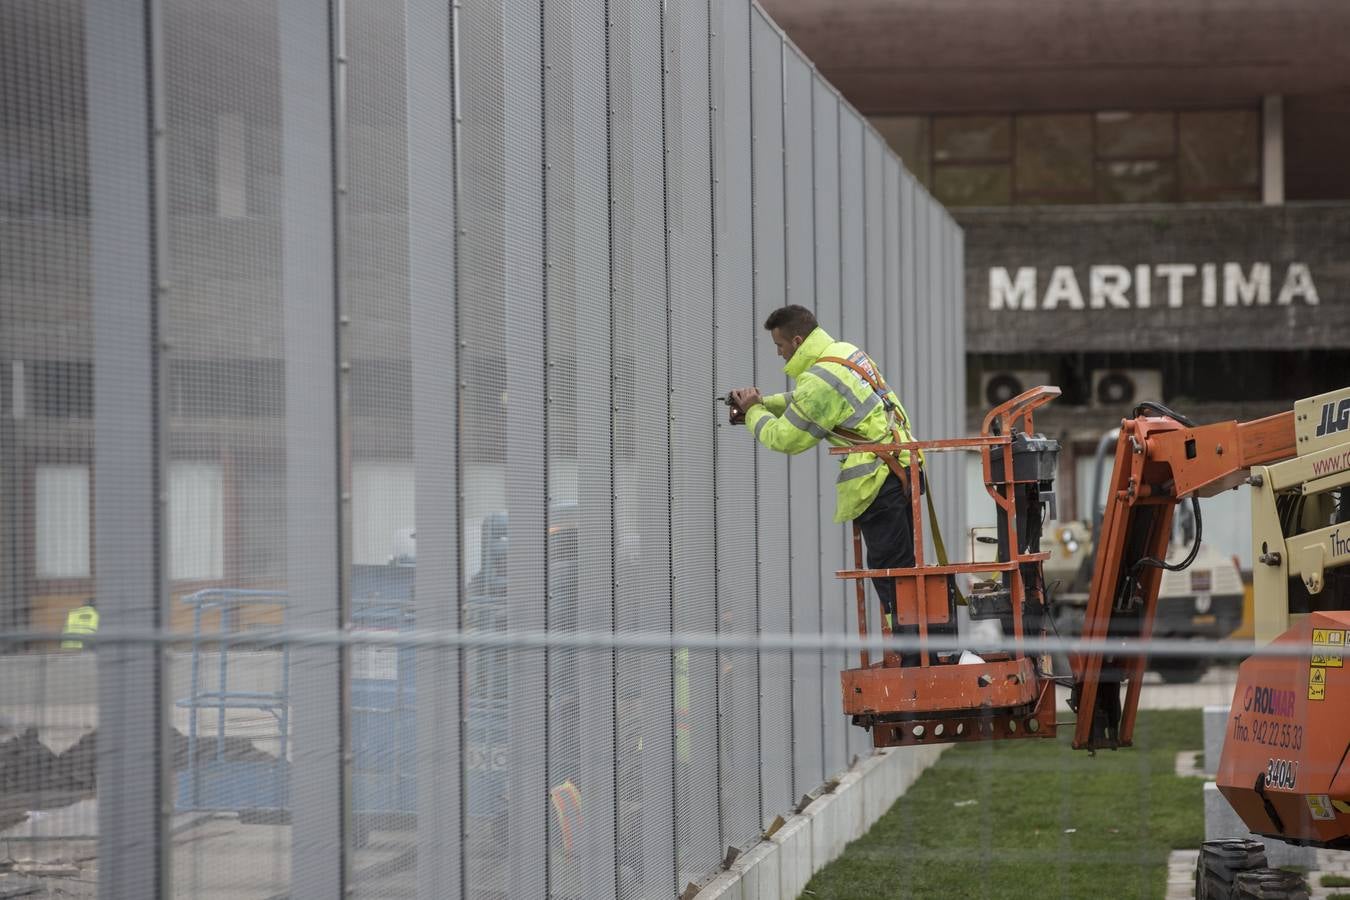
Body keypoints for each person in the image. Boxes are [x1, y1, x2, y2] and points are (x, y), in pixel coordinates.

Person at [728, 304, 924, 662]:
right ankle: (924, 646)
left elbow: (788, 438)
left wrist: (754, 412)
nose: (778, 353)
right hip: (903, 468)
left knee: (890, 573)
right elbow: (807, 402)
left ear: (798, 340)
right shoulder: (843, 354)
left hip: (878, 482)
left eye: (780, 345)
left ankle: (913, 655)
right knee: (905, 568)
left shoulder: (818, 381)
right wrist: (763, 402)